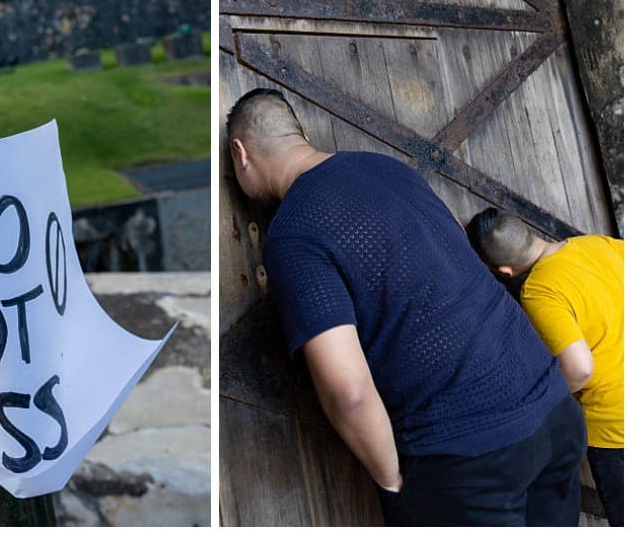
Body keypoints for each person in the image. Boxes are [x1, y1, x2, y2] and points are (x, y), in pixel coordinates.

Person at [226, 87, 585, 526]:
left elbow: (349, 392)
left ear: (240, 153)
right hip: (554, 411)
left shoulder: (294, 234)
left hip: (470, 455)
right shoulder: (387, 167)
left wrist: (393, 481)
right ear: (297, 133)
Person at [466, 208, 623, 526]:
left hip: (617, 427)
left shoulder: (540, 291)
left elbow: (579, 370)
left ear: (504, 271)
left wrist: (535, 402)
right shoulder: (600, 244)